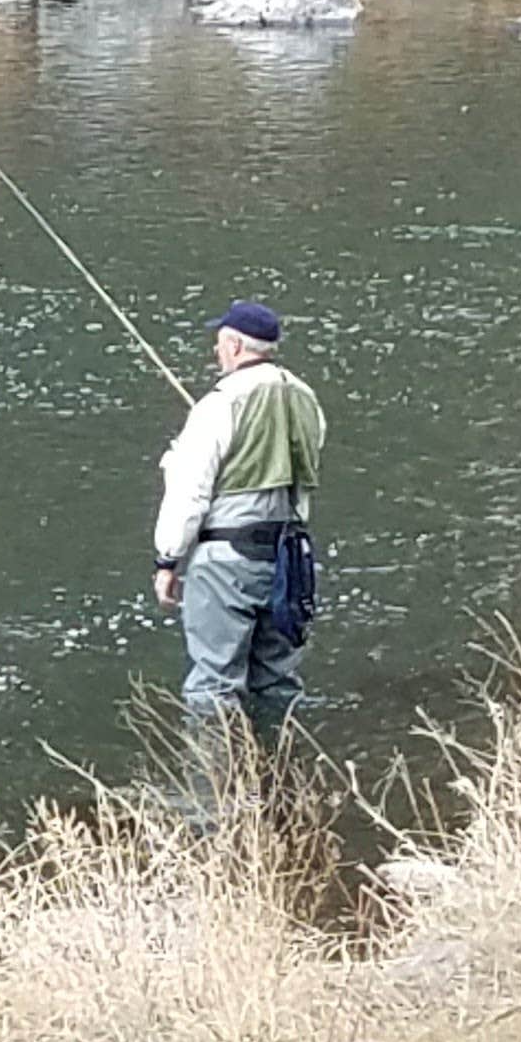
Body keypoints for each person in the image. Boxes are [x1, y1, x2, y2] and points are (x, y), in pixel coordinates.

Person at [153, 299, 327, 739]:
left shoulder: (219, 404)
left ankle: (220, 779)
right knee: (277, 684)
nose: (216, 352)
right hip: (291, 560)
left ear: (233, 345)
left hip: (227, 561)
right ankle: (283, 772)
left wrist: (168, 560)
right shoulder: (307, 399)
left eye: (219, 343)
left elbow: (189, 492)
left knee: (213, 687)